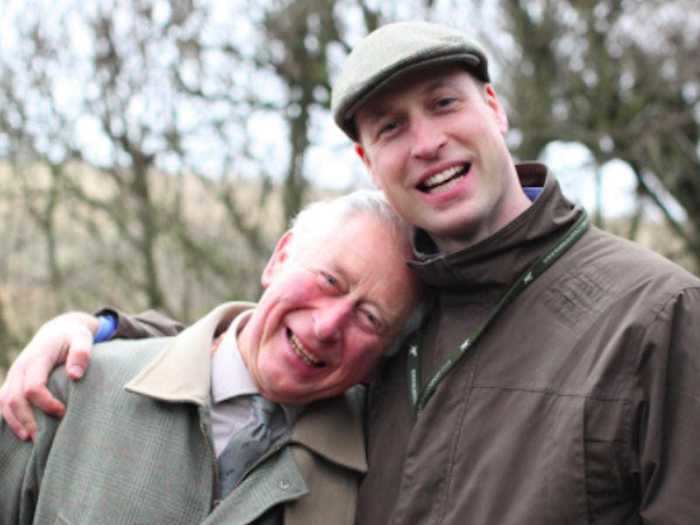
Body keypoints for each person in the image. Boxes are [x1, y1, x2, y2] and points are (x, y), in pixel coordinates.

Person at [3, 20, 700, 524]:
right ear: (368, 162)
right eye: (390, 126)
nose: (426, 142)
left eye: (444, 103)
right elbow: (262, 357)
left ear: (494, 107)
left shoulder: (658, 313)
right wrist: (98, 332)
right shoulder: (405, 323)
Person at [0, 190, 421, 525]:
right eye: (329, 280)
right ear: (280, 257)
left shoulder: (380, 473)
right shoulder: (74, 392)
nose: (328, 326)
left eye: (370, 318)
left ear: (384, 353)